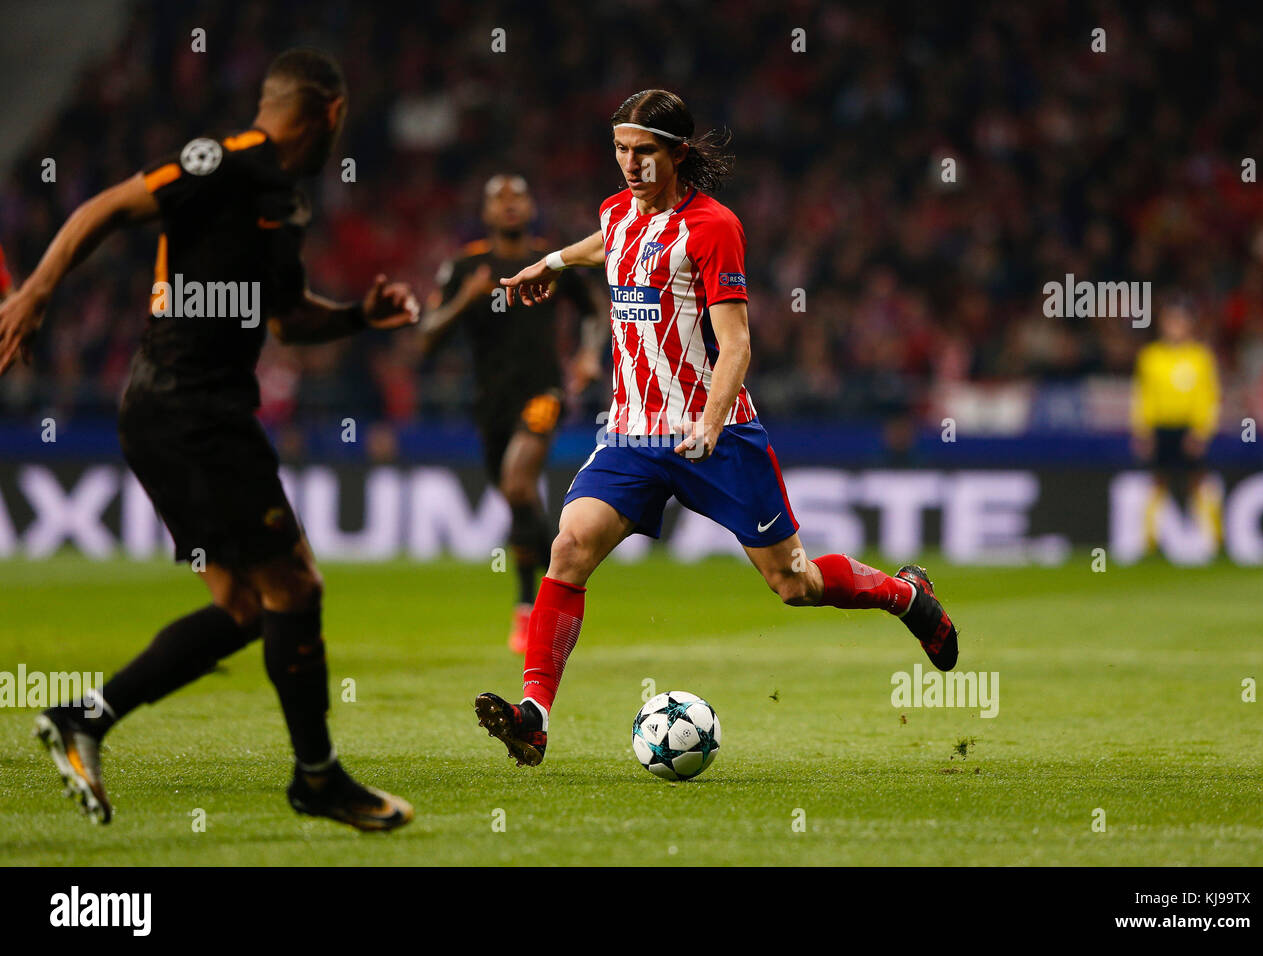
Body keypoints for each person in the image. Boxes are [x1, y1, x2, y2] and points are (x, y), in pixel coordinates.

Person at [473, 89, 958, 767]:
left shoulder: (714, 227)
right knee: (569, 548)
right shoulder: (617, 214)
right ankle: (534, 717)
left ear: (676, 153)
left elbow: (736, 344)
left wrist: (708, 421)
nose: (630, 163)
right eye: (621, 149)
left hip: (717, 437)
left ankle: (906, 595)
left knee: (793, 583)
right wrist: (550, 264)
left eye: (644, 151)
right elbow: (606, 242)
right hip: (634, 437)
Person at [0, 48, 415, 830]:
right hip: (191, 408)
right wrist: (35, 293)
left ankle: (84, 718)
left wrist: (361, 315)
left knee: (245, 606)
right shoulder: (221, 161)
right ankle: (318, 779)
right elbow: (105, 208)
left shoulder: (283, 200)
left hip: (182, 412)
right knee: (296, 586)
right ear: (330, 111)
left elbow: (289, 319)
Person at [421, 174, 603, 652]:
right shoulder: (465, 266)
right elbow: (426, 334)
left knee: (520, 483)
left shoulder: (550, 260)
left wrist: (587, 355)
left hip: (543, 393)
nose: (508, 205)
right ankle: (553, 582)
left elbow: (593, 312)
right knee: (516, 498)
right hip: (490, 404)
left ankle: (529, 603)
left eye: (518, 197)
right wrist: (465, 299)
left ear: (530, 207)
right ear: (484, 212)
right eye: (498, 198)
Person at [1132, 302, 1222, 552]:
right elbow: (1144, 396)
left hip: (1189, 428)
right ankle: (1148, 541)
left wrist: (1201, 431)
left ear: (1188, 325)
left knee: (1198, 481)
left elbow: (1208, 396)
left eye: (1178, 322)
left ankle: (1215, 539)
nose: (1174, 328)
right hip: (1161, 427)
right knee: (1157, 481)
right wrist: (1143, 430)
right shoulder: (1150, 357)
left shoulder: (1200, 357)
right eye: (1169, 321)